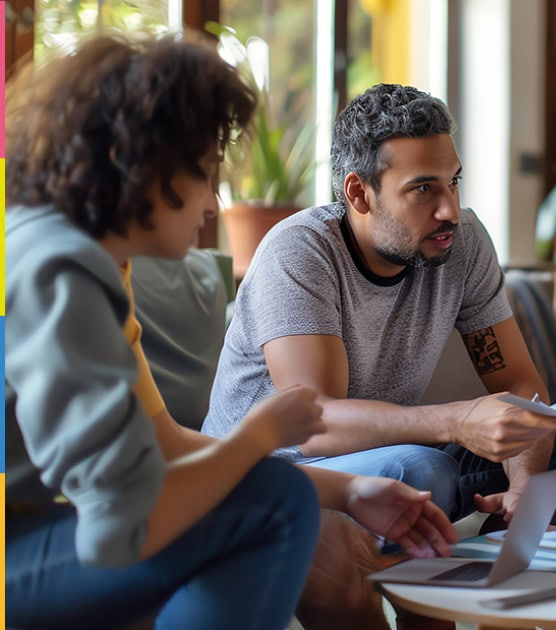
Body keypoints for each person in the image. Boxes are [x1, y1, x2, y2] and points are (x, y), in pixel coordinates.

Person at [4, 33, 457, 630]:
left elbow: (162, 446)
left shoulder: (89, 261)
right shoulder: (60, 271)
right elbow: (119, 527)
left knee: (283, 493)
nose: (213, 206)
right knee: (275, 501)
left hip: (31, 533)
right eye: (205, 174)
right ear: (143, 169)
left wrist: (345, 493)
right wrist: (259, 436)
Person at [201, 83, 556, 530]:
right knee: (420, 471)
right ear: (359, 194)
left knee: (552, 432)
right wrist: (456, 421)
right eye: (423, 189)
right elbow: (315, 424)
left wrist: (524, 484)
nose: (450, 211)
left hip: (381, 457)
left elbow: (520, 382)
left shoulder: (462, 243)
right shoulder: (299, 252)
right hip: (272, 474)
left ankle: (513, 588)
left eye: (453, 182)